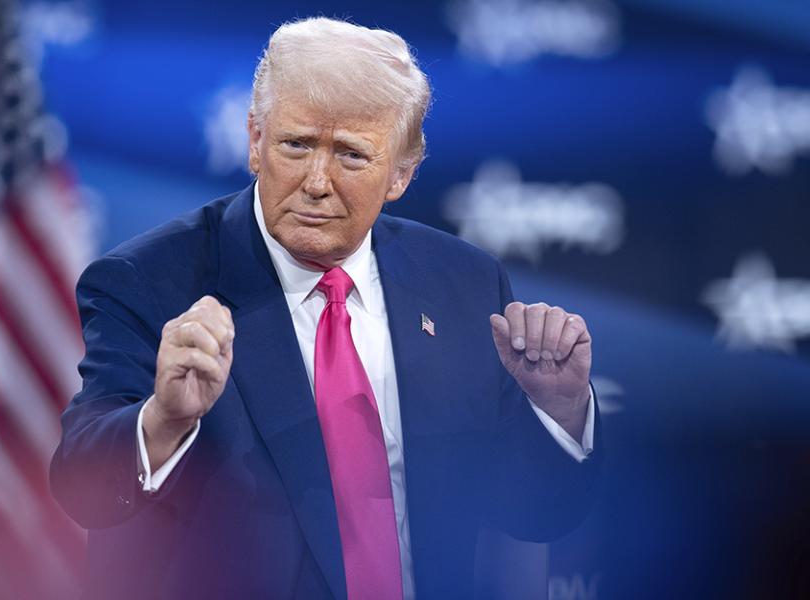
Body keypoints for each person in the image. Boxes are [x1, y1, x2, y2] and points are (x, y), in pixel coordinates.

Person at [50, 17, 601, 600]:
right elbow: (82, 488)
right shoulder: (150, 282)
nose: (317, 181)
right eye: (296, 144)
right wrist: (165, 420)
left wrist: (558, 411)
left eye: (351, 156)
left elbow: (536, 515)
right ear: (254, 140)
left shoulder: (463, 284)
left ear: (402, 174)